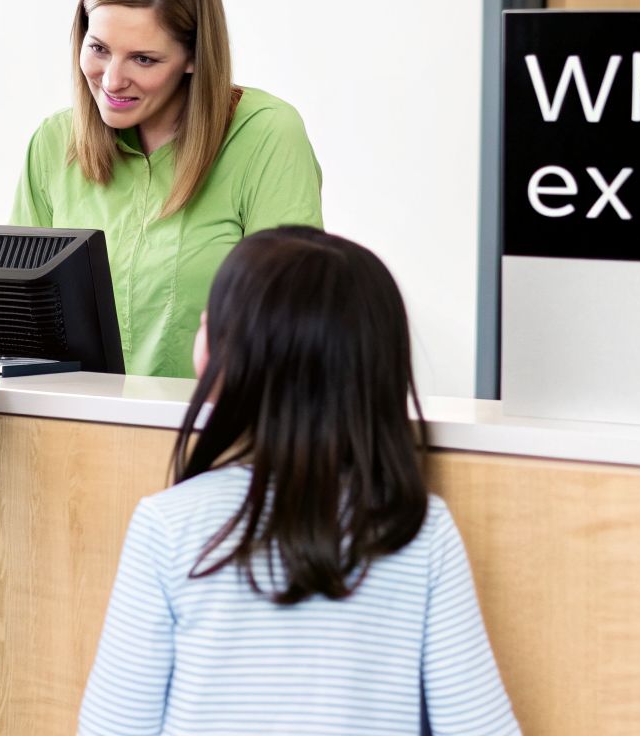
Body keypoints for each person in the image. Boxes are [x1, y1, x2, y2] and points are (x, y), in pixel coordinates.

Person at [78, 227, 520, 736]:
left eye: (210, 319)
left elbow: (113, 728)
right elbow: (479, 728)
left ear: (219, 360)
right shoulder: (418, 529)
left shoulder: (169, 524)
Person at [10, 0, 322, 378]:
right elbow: (20, 327)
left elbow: (291, 327)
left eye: (143, 58)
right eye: (98, 48)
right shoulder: (53, 141)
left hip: (210, 432)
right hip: (75, 429)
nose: (113, 80)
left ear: (194, 56)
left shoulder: (267, 134)